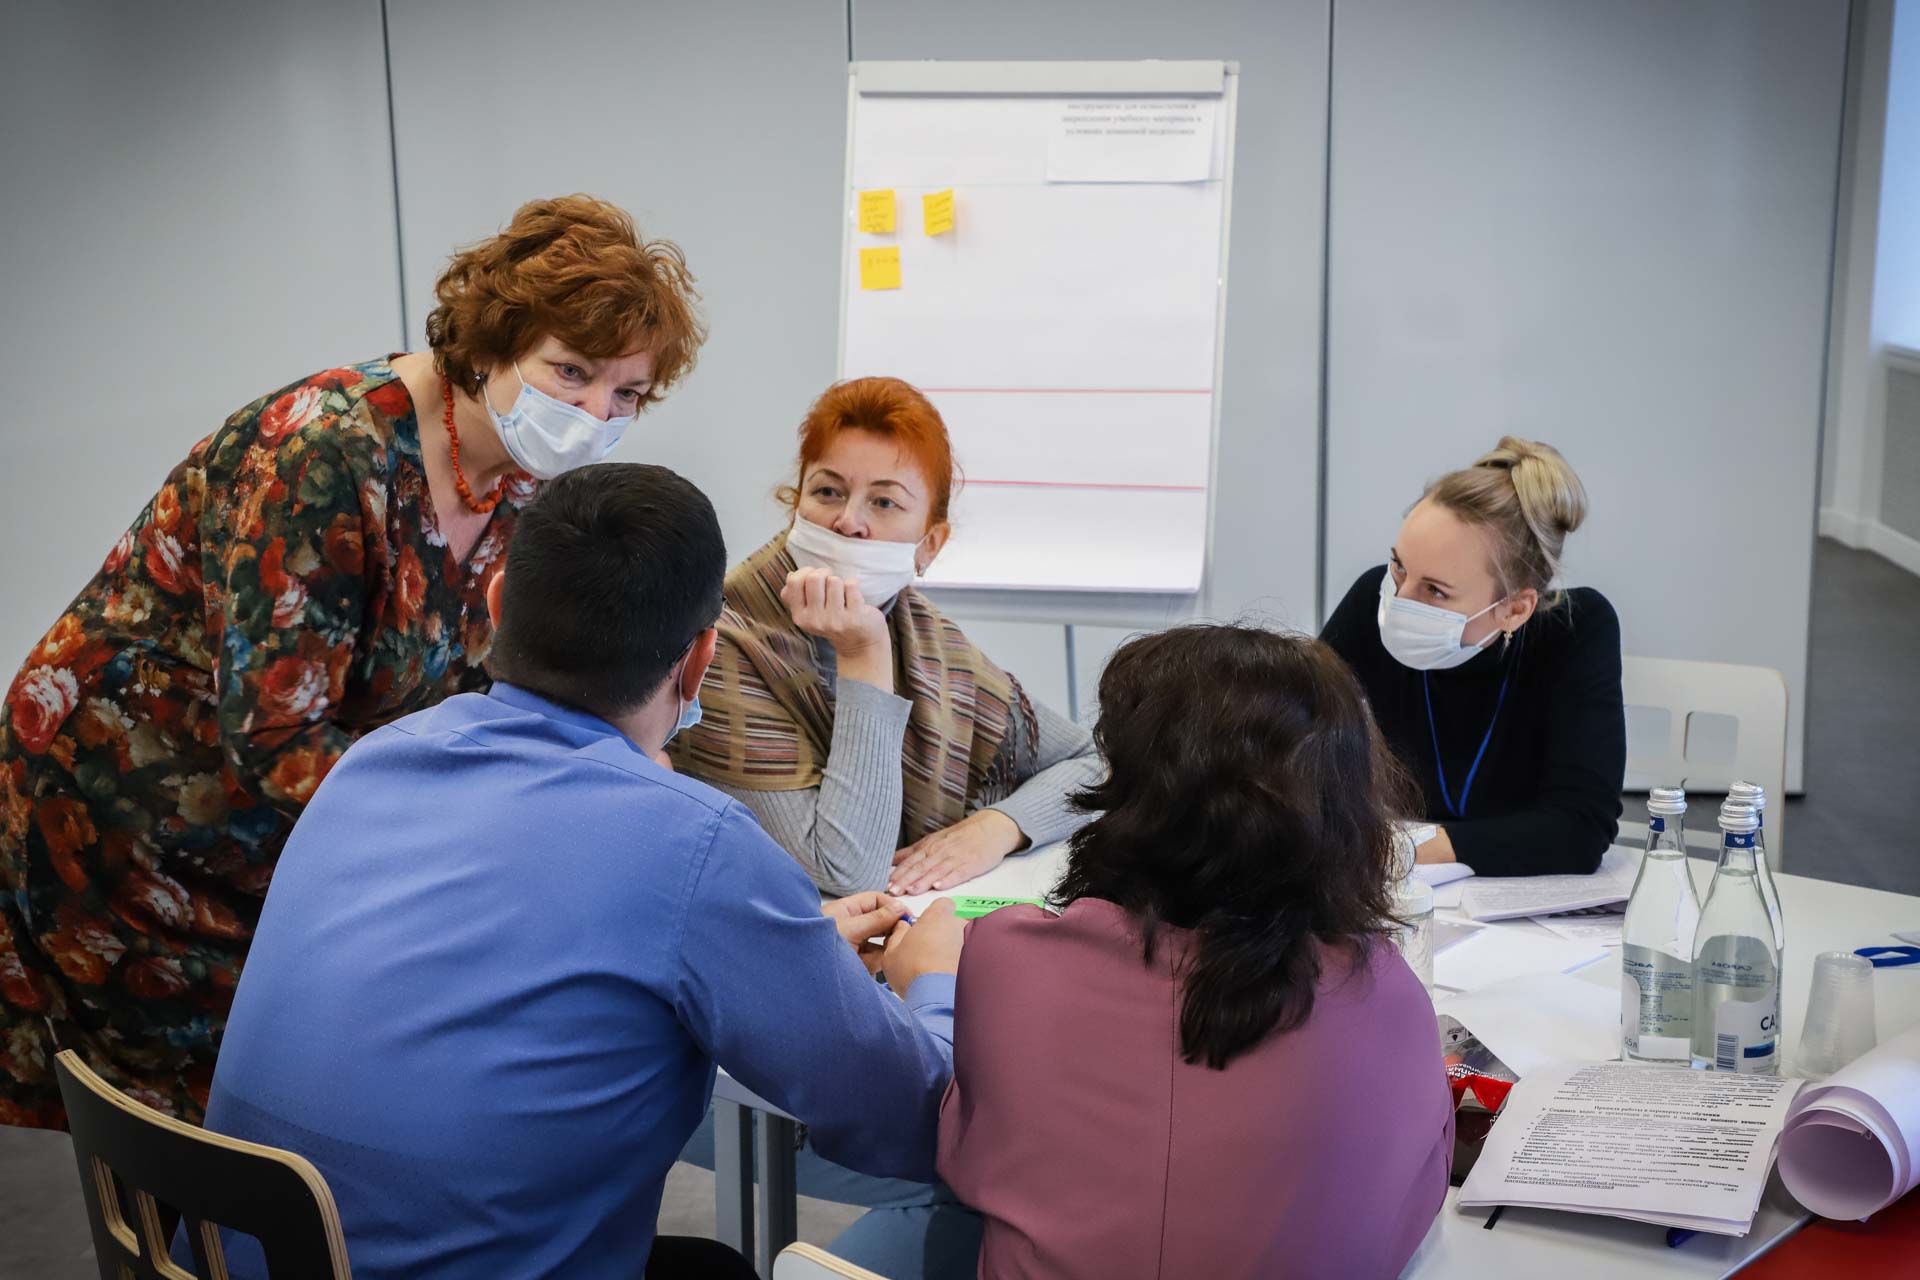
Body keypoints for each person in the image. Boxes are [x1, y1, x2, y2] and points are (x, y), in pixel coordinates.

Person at [0, 195, 706, 1130]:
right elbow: (277, 738)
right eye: (569, 373)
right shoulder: (327, 451)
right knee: (222, 1123)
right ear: (492, 344)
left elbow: (497, 681)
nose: (591, 414)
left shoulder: (523, 479)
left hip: (288, 829)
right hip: (133, 801)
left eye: (625, 396)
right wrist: (496, 826)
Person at [185, 464, 966, 1280]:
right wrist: (931, 984)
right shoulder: (696, 846)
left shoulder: (371, 763)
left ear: (494, 612)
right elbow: (917, 1119)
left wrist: (787, 950)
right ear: (698, 660)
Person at [864, 625, 1453, 1279]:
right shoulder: (1385, 993)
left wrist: (932, 986)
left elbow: (961, 1150)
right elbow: (1413, 1205)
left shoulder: (1014, 957)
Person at [671, 376, 1101, 898]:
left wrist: (998, 828)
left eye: (884, 503)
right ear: (796, 505)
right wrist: (865, 656)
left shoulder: (927, 638)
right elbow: (845, 870)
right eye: (828, 491)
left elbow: (1097, 763)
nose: (849, 521)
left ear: (930, 545)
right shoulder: (722, 640)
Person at [1321, 436, 1625, 876]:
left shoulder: (1576, 630)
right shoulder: (1374, 597)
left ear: (1515, 610)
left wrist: (1400, 850)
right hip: (1392, 897)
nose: (1400, 599)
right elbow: (1287, 744)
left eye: (1435, 590)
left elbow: (1580, 829)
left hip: (1516, 912)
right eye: (1399, 566)